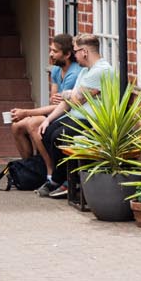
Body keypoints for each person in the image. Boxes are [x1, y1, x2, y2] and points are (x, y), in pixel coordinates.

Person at [37, 33, 114, 198]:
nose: (74, 54)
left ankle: (64, 182)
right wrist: (48, 120)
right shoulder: (85, 70)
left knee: (59, 136)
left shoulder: (101, 71)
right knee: (47, 131)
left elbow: (75, 99)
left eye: (76, 50)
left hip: (93, 121)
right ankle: (61, 179)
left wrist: (68, 94)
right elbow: (69, 101)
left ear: (84, 52)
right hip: (77, 117)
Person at [7, 33, 83, 189]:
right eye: (51, 50)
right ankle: (31, 167)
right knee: (16, 126)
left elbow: (62, 105)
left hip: (67, 115)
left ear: (67, 54)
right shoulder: (56, 70)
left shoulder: (74, 74)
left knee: (33, 123)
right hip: (55, 112)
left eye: (55, 51)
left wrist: (26, 112)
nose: (51, 54)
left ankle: (50, 172)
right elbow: (53, 99)